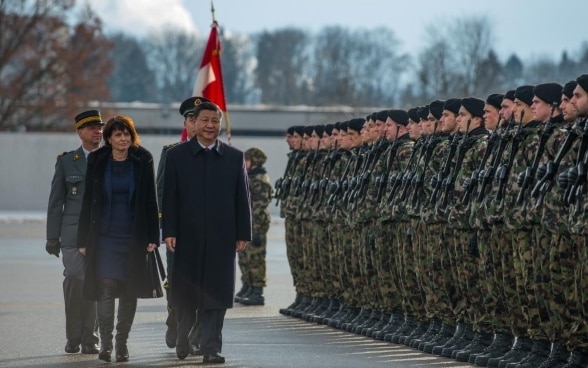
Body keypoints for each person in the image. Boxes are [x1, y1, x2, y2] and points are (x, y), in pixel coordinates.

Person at [162, 100, 252, 364]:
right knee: (185, 292)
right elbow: (170, 197)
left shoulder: (234, 157)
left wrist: (243, 232)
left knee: (216, 294)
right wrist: (169, 230)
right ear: (195, 123)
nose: (210, 125)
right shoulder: (176, 156)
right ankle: (183, 335)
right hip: (186, 236)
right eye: (205, 120)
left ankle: (211, 347)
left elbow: (242, 198)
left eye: (215, 121)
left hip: (221, 237)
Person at [77, 115, 160, 363]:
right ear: (109, 138)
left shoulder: (143, 159)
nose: (123, 139)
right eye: (118, 134)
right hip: (104, 237)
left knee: (128, 289)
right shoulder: (98, 160)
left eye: (127, 134)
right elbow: (88, 199)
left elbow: (150, 199)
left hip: (133, 236)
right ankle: (105, 344)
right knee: (106, 287)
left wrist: (152, 235)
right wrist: (83, 238)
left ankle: (122, 343)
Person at [156, 96, 212, 351]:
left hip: (208, 232)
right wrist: (167, 228)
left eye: (199, 118)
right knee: (177, 282)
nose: (195, 123)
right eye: (191, 119)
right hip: (178, 232)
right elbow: (161, 193)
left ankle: (198, 333)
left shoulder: (218, 152)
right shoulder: (171, 153)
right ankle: (176, 322)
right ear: (187, 123)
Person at [46, 109, 103, 355]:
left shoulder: (112, 158)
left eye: (100, 127)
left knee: (96, 283)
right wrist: (52, 236)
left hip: (101, 234)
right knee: (76, 280)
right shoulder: (67, 161)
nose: (97, 131)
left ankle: (90, 338)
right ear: (80, 132)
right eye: (91, 128)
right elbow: (55, 201)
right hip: (71, 235)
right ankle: (73, 336)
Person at [237, 147, 273, 306]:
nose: (245, 163)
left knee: (256, 258)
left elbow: (259, 205)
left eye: (248, 160)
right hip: (248, 223)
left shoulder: (260, 178)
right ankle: (248, 285)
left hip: (257, 224)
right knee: (245, 257)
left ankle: (257, 291)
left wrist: (256, 229)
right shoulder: (249, 176)